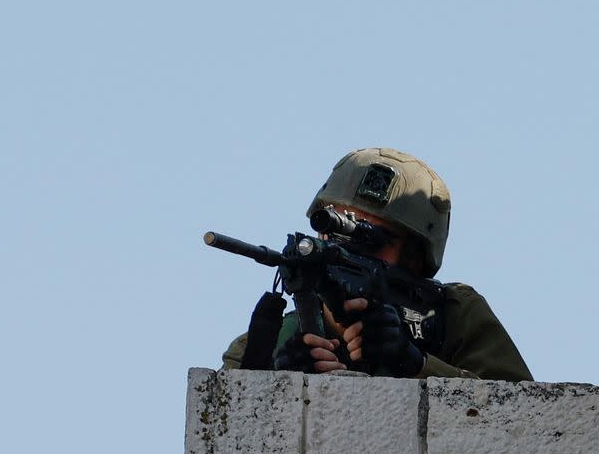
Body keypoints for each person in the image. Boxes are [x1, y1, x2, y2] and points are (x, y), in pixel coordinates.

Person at [221, 148, 533, 381]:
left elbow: (528, 421)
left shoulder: (454, 316)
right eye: (339, 225)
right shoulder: (265, 343)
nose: (349, 246)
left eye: (375, 237)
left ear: (412, 258)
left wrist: (416, 365)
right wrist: (281, 386)